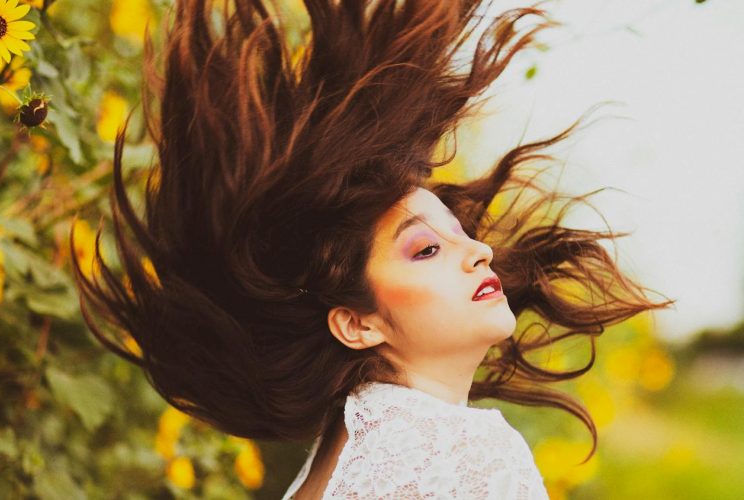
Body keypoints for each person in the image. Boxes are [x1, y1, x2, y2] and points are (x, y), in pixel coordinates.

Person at [71, 0, 674, 498]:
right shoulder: (467, 457)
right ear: (356, 323)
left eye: (458, 234)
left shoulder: (328, 467)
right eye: (425, 252)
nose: (479, 253)